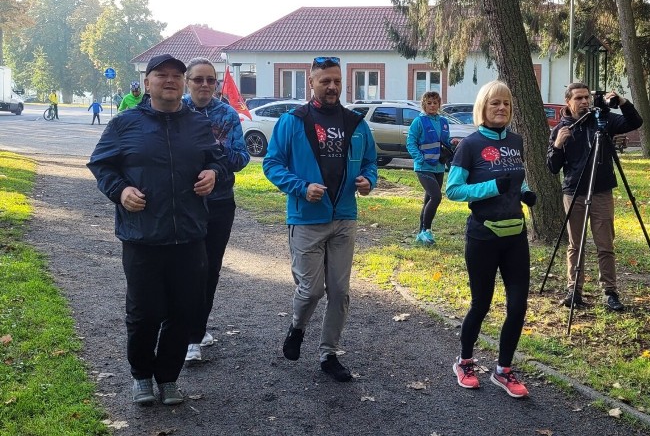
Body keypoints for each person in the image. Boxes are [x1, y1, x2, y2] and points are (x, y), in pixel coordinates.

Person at [87, 54, 227, 406]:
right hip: (143, 236)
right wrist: (120, 191)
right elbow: (101, 164)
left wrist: (213, 174)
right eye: (161, 75)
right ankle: (141, 376)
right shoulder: (125, 124)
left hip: (190, 235)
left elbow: (217, 161)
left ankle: (168, 378)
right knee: (144, 312)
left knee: (185, 311)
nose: (170, 80)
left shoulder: (197, 124)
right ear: (147, 82)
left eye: (176, 76)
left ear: (183, 83)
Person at [263, 56, 377, 382]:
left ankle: (329, 354)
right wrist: (301, 187)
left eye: (337, 81)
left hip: (344, 217)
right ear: (310, 82)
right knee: (311, 290)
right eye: (325, 80)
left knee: (339, 292)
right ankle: (297, 327)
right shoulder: (293, 121)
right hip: (306, 218)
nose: (332, 87)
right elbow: (272, 164)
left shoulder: (356, 124)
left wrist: (369, 180)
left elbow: (370, 162)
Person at [445, 80, 537, 399]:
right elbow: (454, 190)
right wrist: (492, 188)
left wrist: (524, 193)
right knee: (481, 304)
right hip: (483, 236)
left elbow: (515, 179)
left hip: (515, 236)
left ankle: (504, 370)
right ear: (482, 107)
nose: (501, 108)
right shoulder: (469, 145)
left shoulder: (516, 141)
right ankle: (465, 362)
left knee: (518, 307)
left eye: (506, 104)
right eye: (494, 103)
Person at [546, 82, 643, 312]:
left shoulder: (603, 121)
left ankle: (610, 292)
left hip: (601, 191)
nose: (584, 102)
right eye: (578, 98)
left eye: (586, 97)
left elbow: (635, 122)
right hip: (573, 192)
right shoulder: (561, 128)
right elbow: (551, 166)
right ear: (568, 101)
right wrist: (558, 145)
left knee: (605, 244)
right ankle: (574, 291)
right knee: (575, 245)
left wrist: (622, 102)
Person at [181, 57, 250, 363]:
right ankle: (186, 331)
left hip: (219, 203)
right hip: (181, 203)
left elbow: (241, 157)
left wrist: (213, 157)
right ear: (187, 81)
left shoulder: (226, 114)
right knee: (184, 268)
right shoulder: (175, 111)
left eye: (211, 80)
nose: (206, 85)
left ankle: (195, 333)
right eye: (199, 79)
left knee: (208, 269)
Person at [405, 91, 452, 245]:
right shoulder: (418, 122)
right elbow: (410, 142)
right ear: (424, 105)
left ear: (439, 104)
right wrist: (420, 159)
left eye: (435, 103)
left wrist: (453, 144)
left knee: (428, 200)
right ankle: (427, 230)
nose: (432, 106)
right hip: (424, 167)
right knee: (436, 197)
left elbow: (445, 142)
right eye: (429, 103)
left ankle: (420, 233)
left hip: (438, 166)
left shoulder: (444, 121)